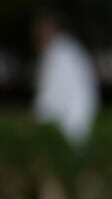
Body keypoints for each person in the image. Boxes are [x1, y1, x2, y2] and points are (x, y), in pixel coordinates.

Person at [31, 10, 100, 149]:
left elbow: (50, 94)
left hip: (70, 122)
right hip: (82, 116)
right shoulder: (69, 48)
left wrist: (35, 118)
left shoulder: (57, 55)